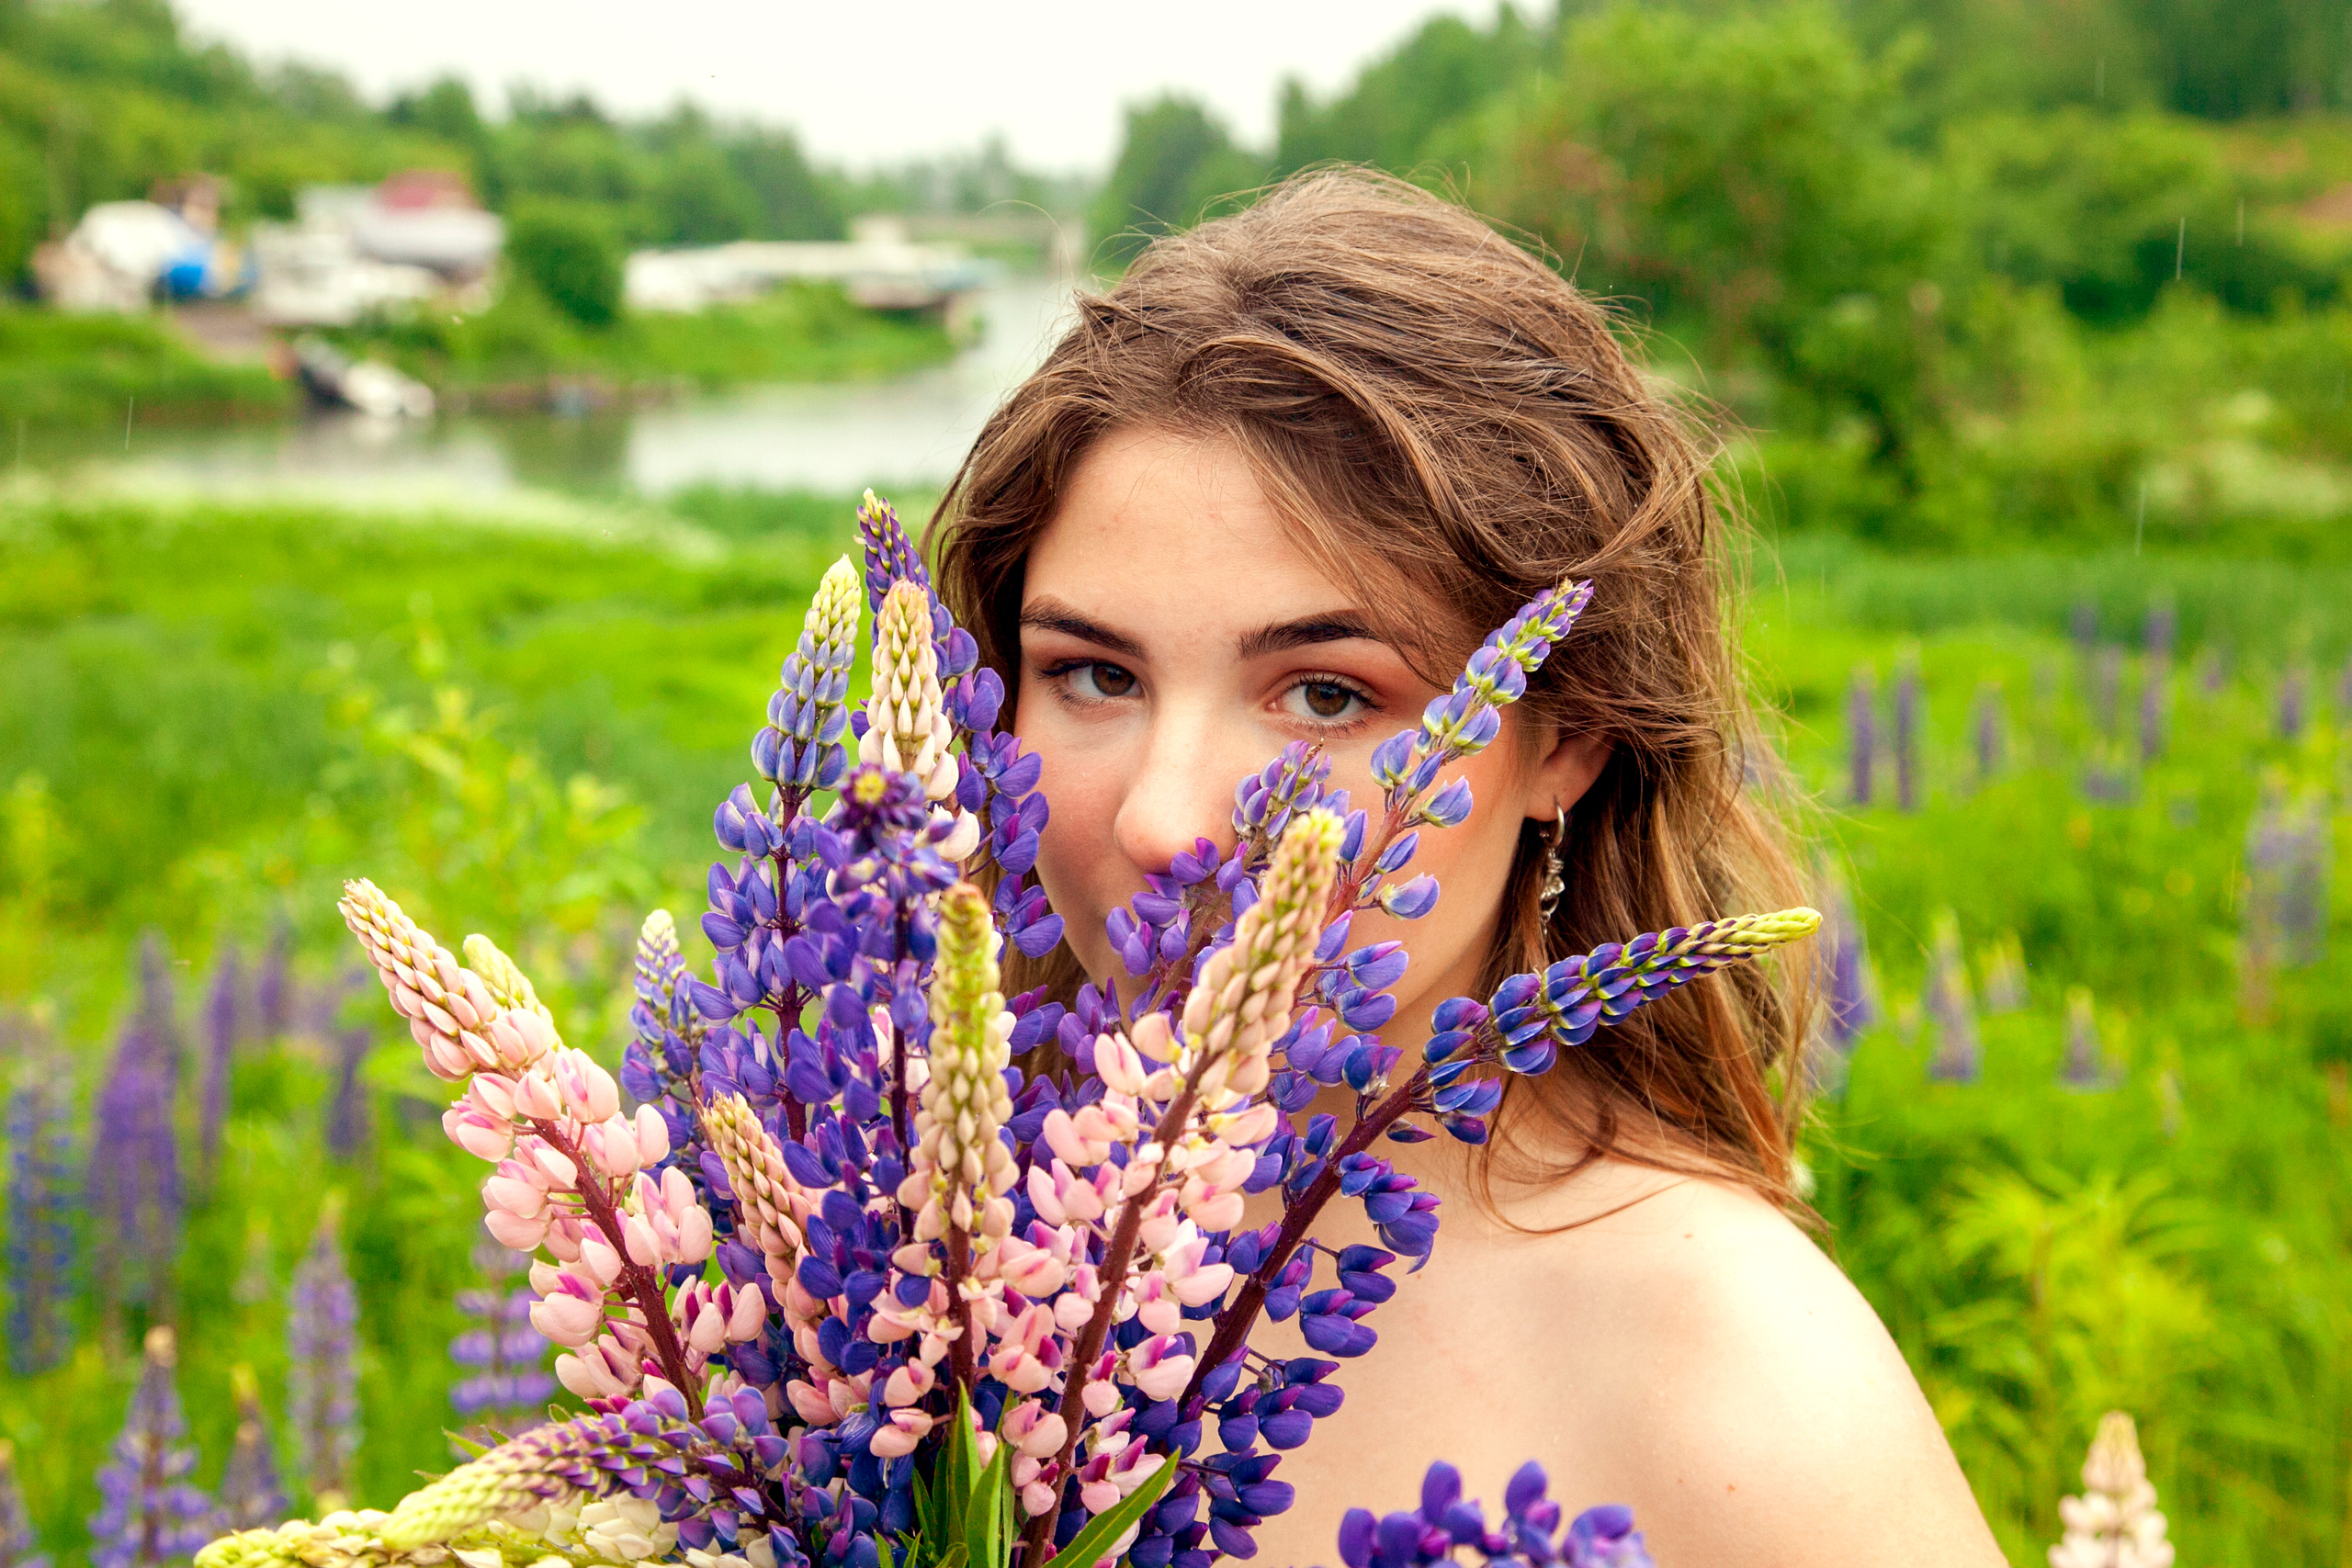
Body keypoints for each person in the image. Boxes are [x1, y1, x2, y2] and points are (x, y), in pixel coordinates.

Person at [932, 171, 2004, 1567]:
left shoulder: (1744, 1375)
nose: (1166, 821)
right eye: (1093, 673)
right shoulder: (903, 1246)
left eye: (1326, 694)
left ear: (1568, 738)